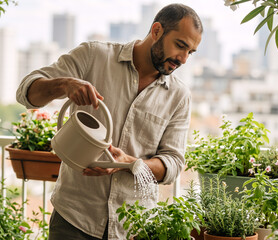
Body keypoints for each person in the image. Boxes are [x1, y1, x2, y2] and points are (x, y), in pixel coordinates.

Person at [16, 3, 203, 240]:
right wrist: (64, 84)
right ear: (156, 31)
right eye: (180, 45)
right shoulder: (94, 55)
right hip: (74, 220)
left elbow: (173, 164)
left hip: (134, 228)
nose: (184, 59)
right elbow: (26, 93)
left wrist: (131, 163)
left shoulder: (179, 96)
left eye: (191, 52)